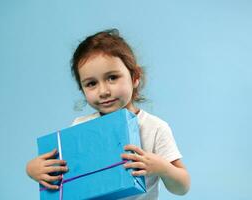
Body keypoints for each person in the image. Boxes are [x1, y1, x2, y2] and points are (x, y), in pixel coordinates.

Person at [26, 29, 190, 199]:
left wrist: (162, 167)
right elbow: (59, 169)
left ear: (135, 77)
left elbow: (182, 187)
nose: (103, 91)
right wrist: (32, 169)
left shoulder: (155, 128)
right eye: (91, 83)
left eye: (112, 77)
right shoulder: (81, 127)